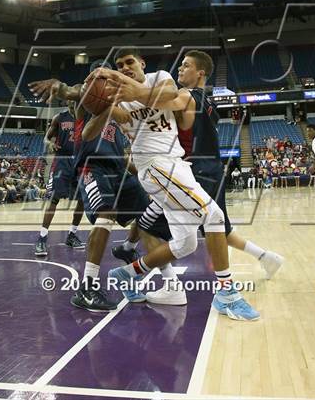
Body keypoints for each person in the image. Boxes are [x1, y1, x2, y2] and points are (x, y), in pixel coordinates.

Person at [90, 48, 260, 321]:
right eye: (119, 65)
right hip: (156, 166)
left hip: (177, 165)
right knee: (213, 216)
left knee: (185, 244)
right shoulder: (118, 99)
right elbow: (101, 124)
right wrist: (92, 99)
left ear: (141, 63)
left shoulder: (161, 77)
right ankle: (227, 294)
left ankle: (125, 273)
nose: (124, 67)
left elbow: (169, 97)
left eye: (129, 62)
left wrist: (132, 89)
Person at [30, 60, 153, 312]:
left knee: (149, 210)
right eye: (98, 76)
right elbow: (71, 91)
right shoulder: (88, 91)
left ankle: (127, 248)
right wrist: (59, 87)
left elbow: (122, 153)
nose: (103, 79)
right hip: (92, 167)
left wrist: (141, 174)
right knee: (105, 215)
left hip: (118, 167)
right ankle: (87, 288)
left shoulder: (121, 103)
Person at [35, 101, 85, 257]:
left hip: (81, 161)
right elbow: (46, 138)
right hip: (62, 161)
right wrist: (49, 143)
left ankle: (72, 234)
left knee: (83, 199)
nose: (72, 101)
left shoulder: (89, 117)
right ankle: (42, 238)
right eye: (69, 98)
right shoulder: (59, 117)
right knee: (54, 199)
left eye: (75, 98)